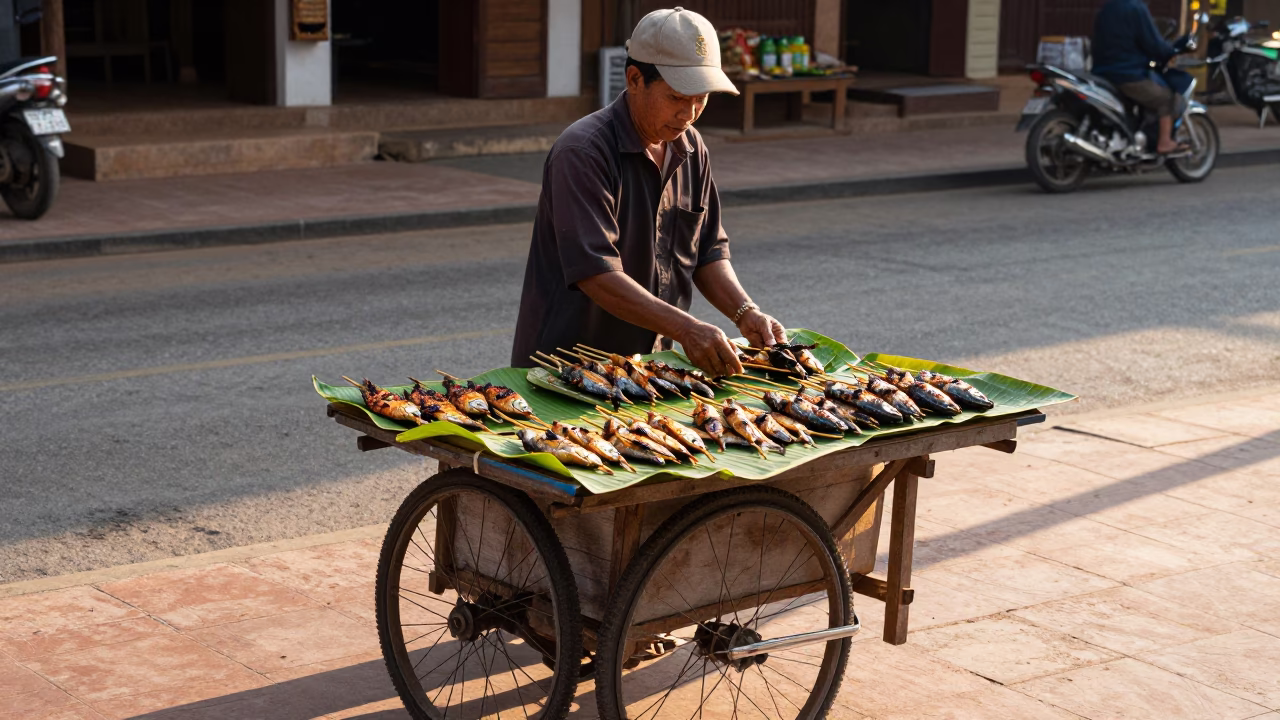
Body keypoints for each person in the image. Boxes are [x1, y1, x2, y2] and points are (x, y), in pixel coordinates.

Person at [510, 7, 786, 378]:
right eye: (676, 97)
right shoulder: (582, 152)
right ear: (635, 78)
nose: (689, 113)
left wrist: (745, 311)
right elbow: (596, 273)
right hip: (567, 369)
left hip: (651, 367)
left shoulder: (690, 146)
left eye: (700, 98)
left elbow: (707, 251)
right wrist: (687, 328)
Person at [1092, 0, 1193, 154]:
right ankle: (1164, 142)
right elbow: (1153, 43)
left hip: (1102, 73)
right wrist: (1169, 52)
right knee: (1165, 98)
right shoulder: (1136, 9)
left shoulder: (1107, 8)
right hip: (1128, 75)